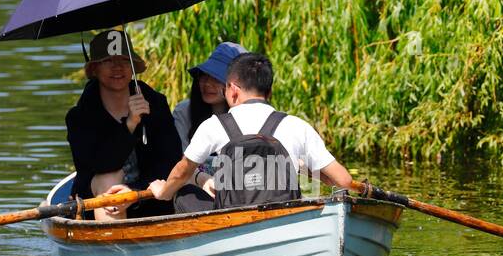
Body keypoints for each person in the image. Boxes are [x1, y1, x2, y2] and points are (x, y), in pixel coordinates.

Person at [148, 52, 356, 208]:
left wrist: (163, 192)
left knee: (183, 194)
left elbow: (182, 171)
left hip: (231, 219)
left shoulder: (214, 125)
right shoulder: (297, 125)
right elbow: (344, 181)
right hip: (284, 218)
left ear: (233, 90)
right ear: (269, 91)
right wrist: (306, 170)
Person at [65, 29, 182, 220]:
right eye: (108, 61)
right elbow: (98, 165)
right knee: (110, 181)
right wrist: (129, 125)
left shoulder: (155, 104)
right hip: (99, 198)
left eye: (125, 61)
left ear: (133, 67)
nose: (118, 67)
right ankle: (111, 247)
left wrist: (134, 193)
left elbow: (170, 159)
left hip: (149, 195)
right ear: (94, 69)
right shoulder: (79, 118)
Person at [169, 41, 243, 211]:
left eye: (216, 78)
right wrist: (202, 180)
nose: (207, 83)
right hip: (196, 195)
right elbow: (180, 163)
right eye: (204, 76)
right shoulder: (184, 111)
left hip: (239, 196)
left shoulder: (246, 115)